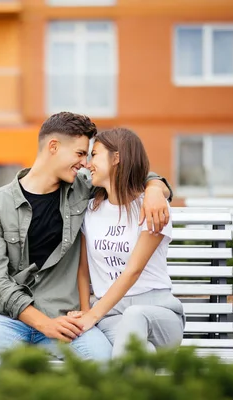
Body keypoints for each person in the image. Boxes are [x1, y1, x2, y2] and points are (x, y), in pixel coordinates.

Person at [0, 113, 172, 392]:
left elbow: (127, 171)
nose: (85, 162)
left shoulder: (83, 189)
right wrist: (44, 324)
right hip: (6, 320)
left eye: (89, 155)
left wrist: (155, 188)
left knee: (105, 364)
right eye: (80, 153)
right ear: (53, 147)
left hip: (68, 321)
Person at [69, 127, 185, 359]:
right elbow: (83, 270)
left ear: (117, 158)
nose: (88, 163)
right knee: (140, 354)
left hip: (158, 314)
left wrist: (93, 315)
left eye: (95, 154)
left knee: (134, 315)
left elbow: (133, 270)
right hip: (111, 317)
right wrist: (85, 310)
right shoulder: (91, 211)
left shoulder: (151, 206)